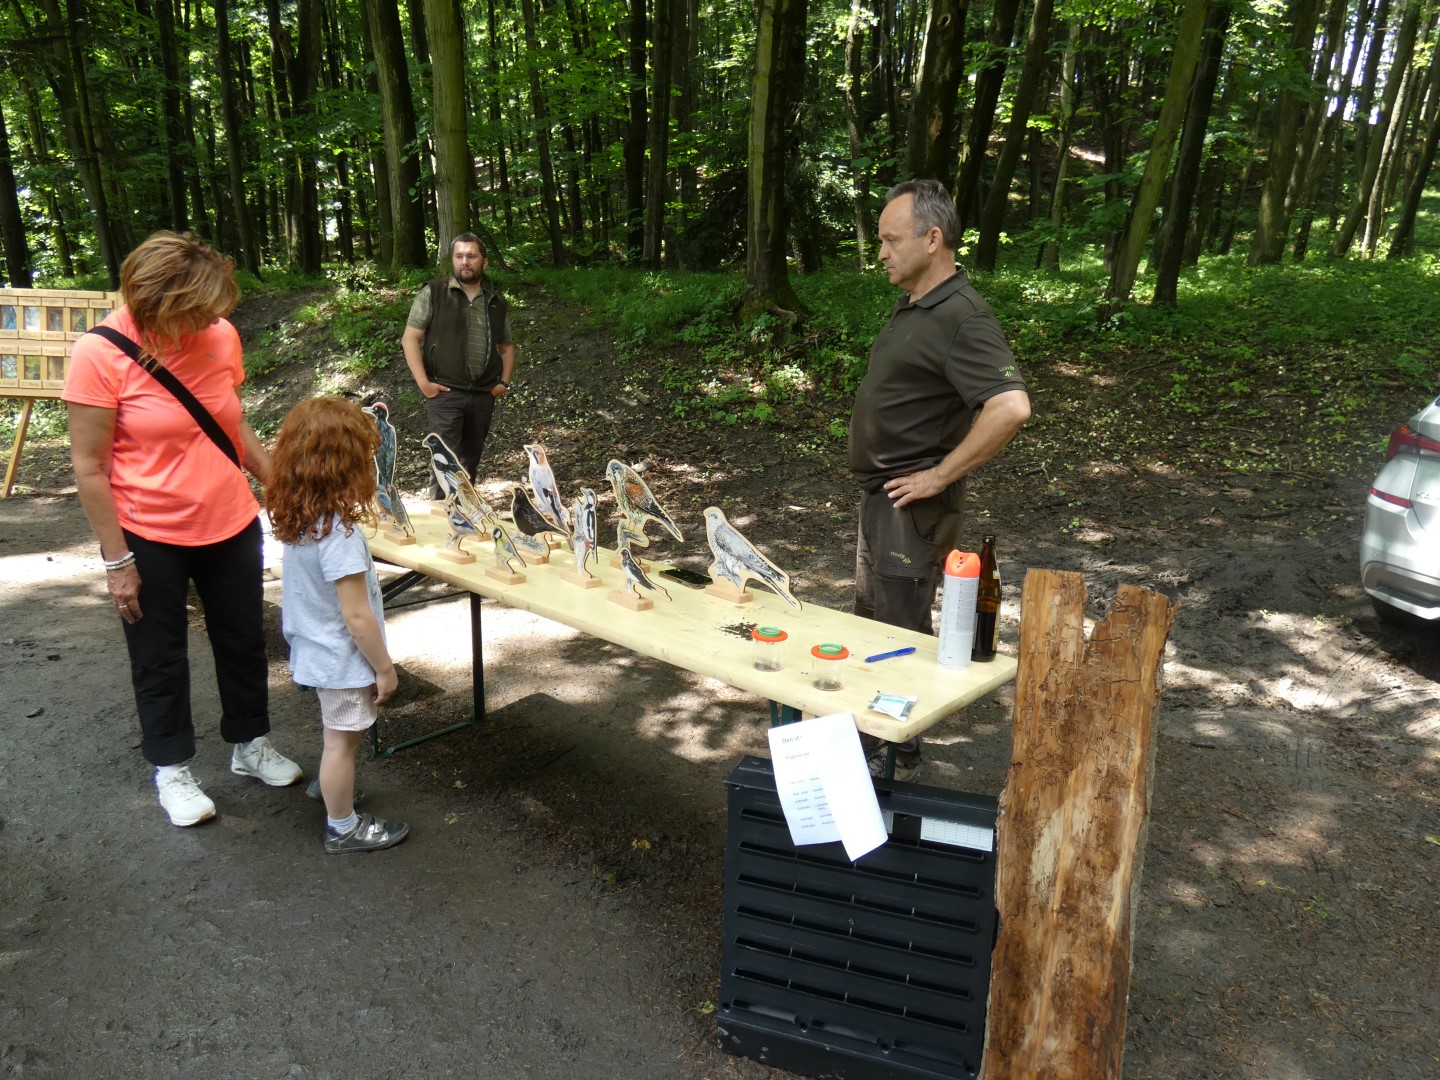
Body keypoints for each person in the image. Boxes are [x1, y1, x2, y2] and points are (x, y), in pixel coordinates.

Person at [64, 231, 302, 827]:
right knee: (159, 656)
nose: (209, 320)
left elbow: (233, 425)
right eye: (196, 309)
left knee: (243, 640)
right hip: (148, 532)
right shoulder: (100, 352)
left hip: (231, 522)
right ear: (158, 302)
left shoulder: (220, 335)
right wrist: (117, 561)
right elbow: (89, 468)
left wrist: (283, 490)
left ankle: (250, 744)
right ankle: (172, 769)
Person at [849, 179, 1032, 779]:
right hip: (884, 501)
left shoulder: (962, 316)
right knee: (875, 622)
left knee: (900, 632)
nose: (881, 252)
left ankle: (895, 760)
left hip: (913, 508)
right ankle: (880, 739)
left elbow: (1010, 407)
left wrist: (937, 476)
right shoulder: (916, 305)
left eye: (891, 240)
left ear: (933, 239)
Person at [267, 397, 410, 854]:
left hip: (314, 649)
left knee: (337, 737)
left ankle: (332, 788)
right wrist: (384, 668)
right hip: (340, 660)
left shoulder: (301, 521)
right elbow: (356, 615)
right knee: (341, 744)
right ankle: (343, 826)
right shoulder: (339, 535)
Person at [402, 233, 516, 498]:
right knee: (444, 464)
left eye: (471, 256)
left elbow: (507, 347)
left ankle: (464, 518)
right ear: (452, 260)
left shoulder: (496, 302)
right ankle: (439, 519)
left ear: (484, 262)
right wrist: (424, 384)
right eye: (459, 256)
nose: (465, 261)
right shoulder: (434, 292)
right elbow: (410, 338)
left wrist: (504, 382)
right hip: (445, 394)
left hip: (483, 396)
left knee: (469, 464)